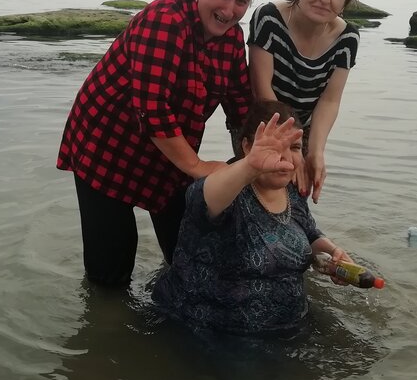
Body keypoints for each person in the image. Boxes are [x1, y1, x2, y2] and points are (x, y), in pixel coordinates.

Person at [57, 0, 257, 287]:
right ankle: (106, 316)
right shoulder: (164, 21)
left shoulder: (231, 38)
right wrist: (199, 167)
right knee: (111, 271)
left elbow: (242, 107)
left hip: (170, 153)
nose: (230, 10)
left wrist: (258, 162)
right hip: (106, 148)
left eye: (242, 1)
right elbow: (153, 111)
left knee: (189, 254)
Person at [151, 100, 360, 335]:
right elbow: (201, 197)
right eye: (273, 148)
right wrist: (250, 166)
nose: (286, 159)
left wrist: (333, 253)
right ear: (247, 146)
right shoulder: (227, 190)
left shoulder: (290, 190)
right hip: (213, 332)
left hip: (288, 324)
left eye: (294, 148)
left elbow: (309, 232)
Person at [248, 0, 360, 202]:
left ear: (345, 2)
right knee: (262, 195)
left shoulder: (347, 39)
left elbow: (330, 101)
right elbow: (261, 90)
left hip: (304, 130)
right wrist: (287, 148)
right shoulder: (269, 18)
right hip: (262, 122)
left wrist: (316, 152)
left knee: (297, 196)